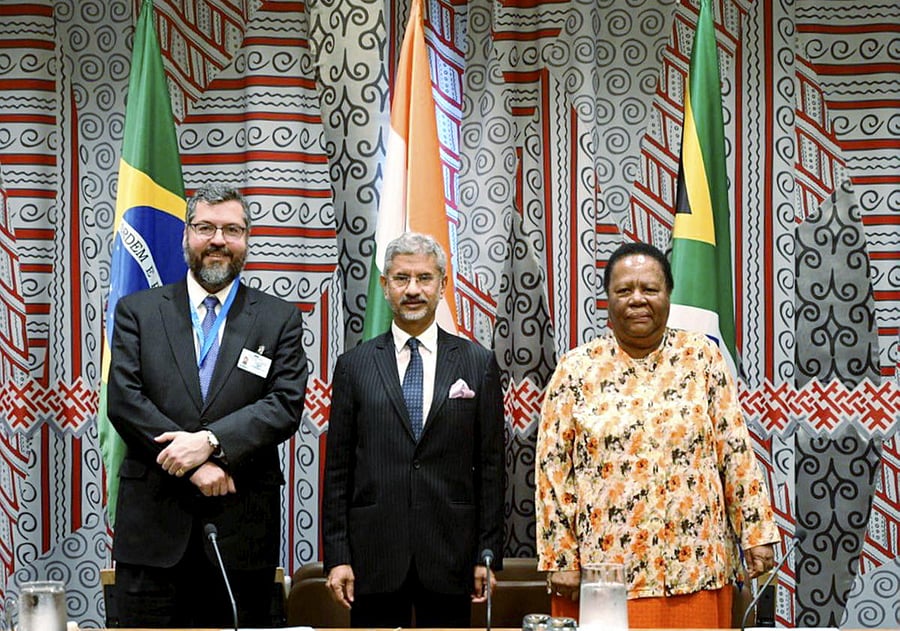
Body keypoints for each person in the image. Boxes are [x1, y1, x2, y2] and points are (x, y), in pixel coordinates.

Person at [535, 241, 778, 628]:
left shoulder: (702, 358)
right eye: (624, 290)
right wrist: (559, 556)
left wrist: (756, 534)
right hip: (606, 574)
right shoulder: (575, 369)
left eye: (650, 289)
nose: (637, 299)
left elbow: (735, 452)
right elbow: (553, 470)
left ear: (668, 294)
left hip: (695, 567)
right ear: (608, 299)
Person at [107, 184, 308, 627]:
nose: (218, 239)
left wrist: (211, 442)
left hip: (240, 536)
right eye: (205, 228)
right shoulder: (138, 311)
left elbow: (284, 404)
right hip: (153, 536)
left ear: (246, 239)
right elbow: (124, 400)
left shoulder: (279, 319)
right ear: (186, 235)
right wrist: (192, 465)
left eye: (232, 229)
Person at [322, 232, 505, 628]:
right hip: (373, 556)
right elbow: (337, 470)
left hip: (451, 553)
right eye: (401, 278)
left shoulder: (477, 363)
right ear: (384, 285)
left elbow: (491, 468)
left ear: (442, 284)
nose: (413, 290)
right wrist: (337, 556)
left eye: (424, 278)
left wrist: (487, 553)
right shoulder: (354, 365)